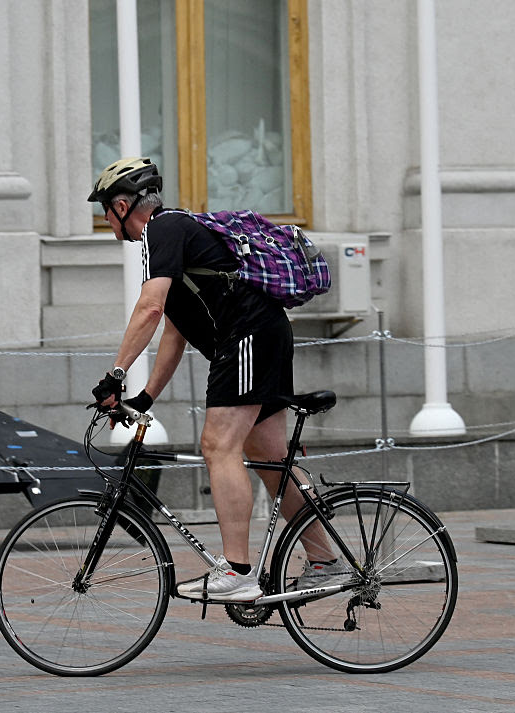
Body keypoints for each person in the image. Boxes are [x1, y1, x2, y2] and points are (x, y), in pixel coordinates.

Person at [89, 157, 342, 602]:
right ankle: (327, 562)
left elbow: (149, 307)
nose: (108, 224)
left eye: (106, 212)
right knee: (270, 461)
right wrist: (145, 396)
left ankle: (238, 571)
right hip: (263, 335)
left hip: (246, 338)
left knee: (217, 445)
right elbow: (174, 330)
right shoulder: (178, 233)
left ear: (124, 206)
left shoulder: (160, 231)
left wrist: (115, 375)